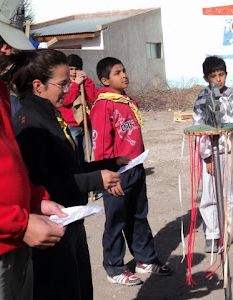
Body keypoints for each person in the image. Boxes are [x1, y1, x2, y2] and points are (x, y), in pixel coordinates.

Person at [0, 49, 129, 300]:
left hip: (71, 221)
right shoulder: (30, 125)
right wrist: (95, 180)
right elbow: (40, 184)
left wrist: (110, 163)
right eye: (62, 84)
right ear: (38, 85)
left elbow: (71, 167)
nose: (69, 89)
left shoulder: (50, 114)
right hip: (52, 228)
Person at [0, 2, 67, 300]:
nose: (6, 49)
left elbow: (6, 156)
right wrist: (21, 223)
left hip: (15, 238)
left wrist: (34, 200)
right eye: (1, 37)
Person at [91, 57, 171, 286]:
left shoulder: (126, 101)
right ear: (105, 80)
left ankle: (145, 259)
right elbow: (101, 145)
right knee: (116, 220)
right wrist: (109, 175)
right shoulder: (104, 105)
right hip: (117, 174)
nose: (124, 75)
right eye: (117, 73)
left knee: (138, 216)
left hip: (136, 168)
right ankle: (114, 267)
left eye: (124, 70)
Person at [192, 56, 233, 252]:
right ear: (206, 78)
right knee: (211, 195)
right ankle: (213, 234)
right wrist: (208, 158)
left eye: (221, 75)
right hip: (213, 155)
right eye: (214, 76)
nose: (218, 79)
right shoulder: (203, 101)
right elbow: (199, 131)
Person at [59, 54, 98, 163]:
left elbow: (93, 97)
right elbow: (66, 101)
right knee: (74, 152)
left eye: (77, 69)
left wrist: (86, 82)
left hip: (86, 122)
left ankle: (88, 171)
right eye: (71, 69)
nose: (74, 72)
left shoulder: (84, 82)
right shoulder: (64, 83)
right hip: (71, 124)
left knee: (88, 154)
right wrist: (75, 84)